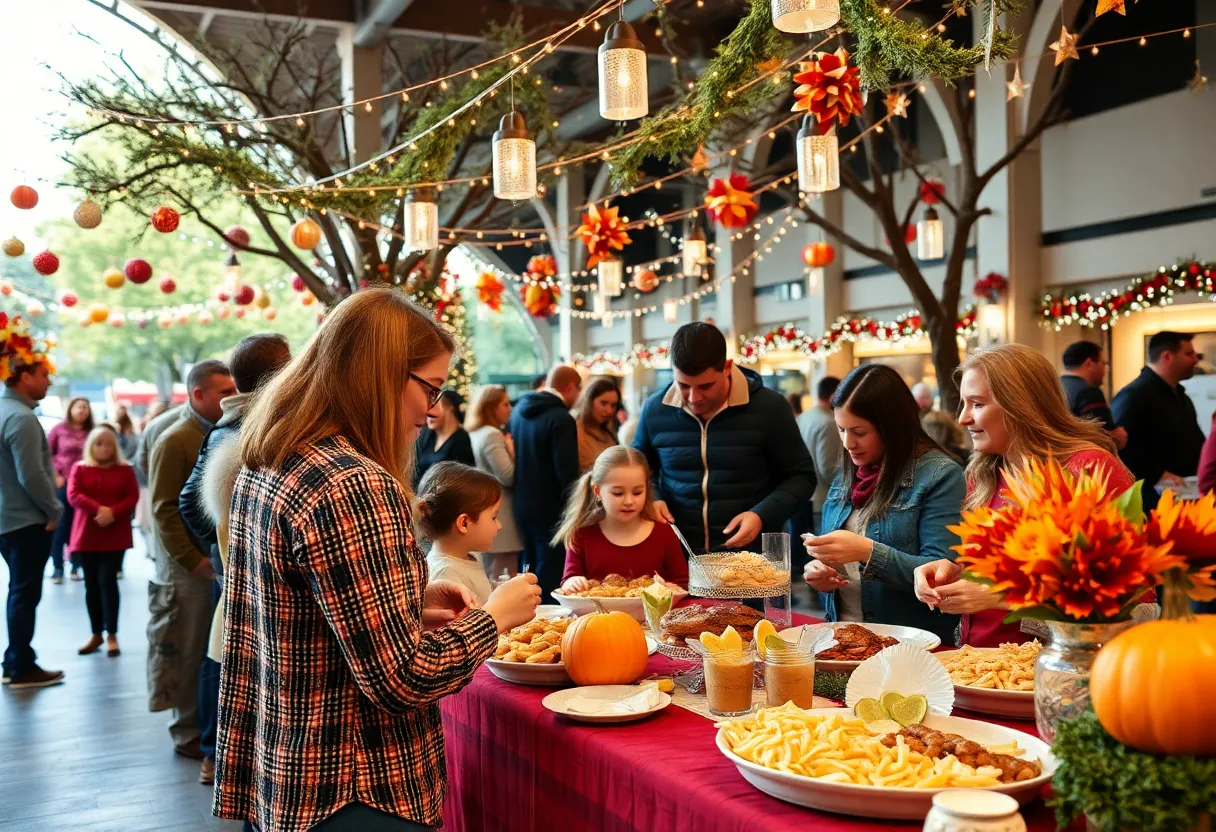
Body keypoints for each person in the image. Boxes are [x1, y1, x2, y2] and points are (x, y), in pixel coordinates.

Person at [214, 288, 541, 832]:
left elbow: (303, 612)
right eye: (430, 388)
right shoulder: (355, 482)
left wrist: (409, 600)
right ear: (381, 375)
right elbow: (400, 679)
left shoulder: (270, 456)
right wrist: (494, 618)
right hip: (358, 784)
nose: (433, 409)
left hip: (289, 767)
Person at [912, 345, 1134, 647]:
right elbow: (999, 574)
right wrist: (953, 572)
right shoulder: (983, 474)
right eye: (964, 404)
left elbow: (1129, 603)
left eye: (976, 404)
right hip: (981, 666)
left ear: (1021, 404)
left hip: (1057, 674)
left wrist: (1004, 596)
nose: (963, 418)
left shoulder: (1090, 468)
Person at [179, 333, 290, 786]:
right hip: (244, 573)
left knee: (226, 658)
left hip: (240, 570)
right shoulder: (248, 429)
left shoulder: (230, 426)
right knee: (226, 661)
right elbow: (190, 502)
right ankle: (217, 753)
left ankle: (222, 756)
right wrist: (232, 552)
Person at [801, 366, 965, 645]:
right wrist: (818, 574)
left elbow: (942, 573)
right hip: (842, 639)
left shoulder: (940, 475)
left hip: (909, 645)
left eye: (859, 432)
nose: (848, 443)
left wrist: (867, 551)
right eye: (840, 430)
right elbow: (839, 568)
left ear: (892, 426)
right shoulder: (848, 474)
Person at [632, 322, 816, 553]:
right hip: (676, 557)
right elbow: (638, 468)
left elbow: (802, 477)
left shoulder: (770, 407)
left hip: (751, 561)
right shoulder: (655, 409)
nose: (694, 397)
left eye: (705, 386)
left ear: (727, 367)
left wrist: (762, 514)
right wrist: (653, 498)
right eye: (683, 385)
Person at [147, 360, 236, 771]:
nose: (232, 395)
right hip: (188, 567)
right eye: (224, 391)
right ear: (199, 395)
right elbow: (166, 509)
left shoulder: (210, 431)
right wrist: (197, 557)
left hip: (207, 562)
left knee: (209, 647)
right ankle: (192, 738)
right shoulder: (176, 438)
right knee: (192, 650)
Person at [0, 354, 64, 689]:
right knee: (25, 594)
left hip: (8, 519)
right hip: (27, 521)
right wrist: (54, 510)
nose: (48, 381)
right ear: (23, 377)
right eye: (43, 374)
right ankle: (21, 665)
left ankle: (16, 660)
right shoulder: (21, 417)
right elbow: (33, 475)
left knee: (19, 593)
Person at [554, 445, 689, 592]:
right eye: (618, 493)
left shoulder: (664, 534)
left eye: (637, 492)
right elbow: (568, 580)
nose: (629, 501)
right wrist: (572, 582)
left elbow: (682, 583)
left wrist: (671, 589)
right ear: (597, 491)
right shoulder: (581, 535)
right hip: (597, 614)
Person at [508, 365, 582, 598]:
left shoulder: (519, 410)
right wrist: (576, 508)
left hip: (522, 501)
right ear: (570, 387)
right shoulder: (561, 419)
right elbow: (567, 472)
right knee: (550, 570)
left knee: (527, 566)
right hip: (551, 507)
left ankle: (525, 615)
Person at [67, 426, 139, 658]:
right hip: (87, 532)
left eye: (108, 444)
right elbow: (73, 494)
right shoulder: (80, 468)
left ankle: (112, 634)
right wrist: (99, 509)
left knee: (108, 582)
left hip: (114, 533)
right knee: (91, 584)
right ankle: (96, 632)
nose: (104, 448)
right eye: (99, 443)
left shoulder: (124, 469)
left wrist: (113, 512)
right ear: (91, 445)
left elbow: (132, 496)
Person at [1112, 331, 1205, 510]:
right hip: (1153, 502)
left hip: (1186, 494)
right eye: (1188, 354)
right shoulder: (1134, 395)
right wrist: (1158, 474)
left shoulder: (1180, 395)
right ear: (1167, 356)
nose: (1195, 360)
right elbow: (1120, 447)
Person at [417, 461, 502, 605]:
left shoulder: (469, 556)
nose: (499, 525)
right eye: (494, 517)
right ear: (464, 523)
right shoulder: (445, 573)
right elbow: (465, 626)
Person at [465, 384, 522, 581]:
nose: (510, 409)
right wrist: (514, 453)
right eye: (505, 404)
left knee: (490, 571)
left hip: (485, 505)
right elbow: (507, 475)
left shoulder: (475, 432)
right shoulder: (492, 434)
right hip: (502, 511)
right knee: (504, 572)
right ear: (491, 407)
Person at [47, 396, 93, 582]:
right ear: (71, 408)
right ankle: (58, 567)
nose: (83, 410)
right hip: (63, 483)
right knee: (61, 525)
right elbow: (46, 454)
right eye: (79, 406)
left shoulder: (93, 431)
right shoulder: (58, 430)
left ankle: (77, 565)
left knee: (80, 525)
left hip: (85, 485)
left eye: (86, 407)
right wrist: (55, 475)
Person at [1060, 341, 1127, 450]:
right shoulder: (1089, 392)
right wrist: (1118, 437)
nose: (1105, 370)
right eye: (1104, 363)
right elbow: (1105, 439)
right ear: (1089, 364)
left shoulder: (1054, 386)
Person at [796, 375, 842, 535]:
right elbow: (828, 468)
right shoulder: (828, 422)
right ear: (834, 395)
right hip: (821, 498)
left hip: (803, 496)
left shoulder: (805, 416)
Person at [412, 390, 474, 489]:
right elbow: (415, 473)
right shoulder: (426, 435)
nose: (429, 413)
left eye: (434, 407)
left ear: (449, 409)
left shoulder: (461, 441)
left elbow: (461, 482)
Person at [573, 376, 620, 472]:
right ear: (588, 401)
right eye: (603, 403)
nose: (609, 411)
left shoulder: (607, 432)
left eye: (613, 405)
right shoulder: (574, 431)